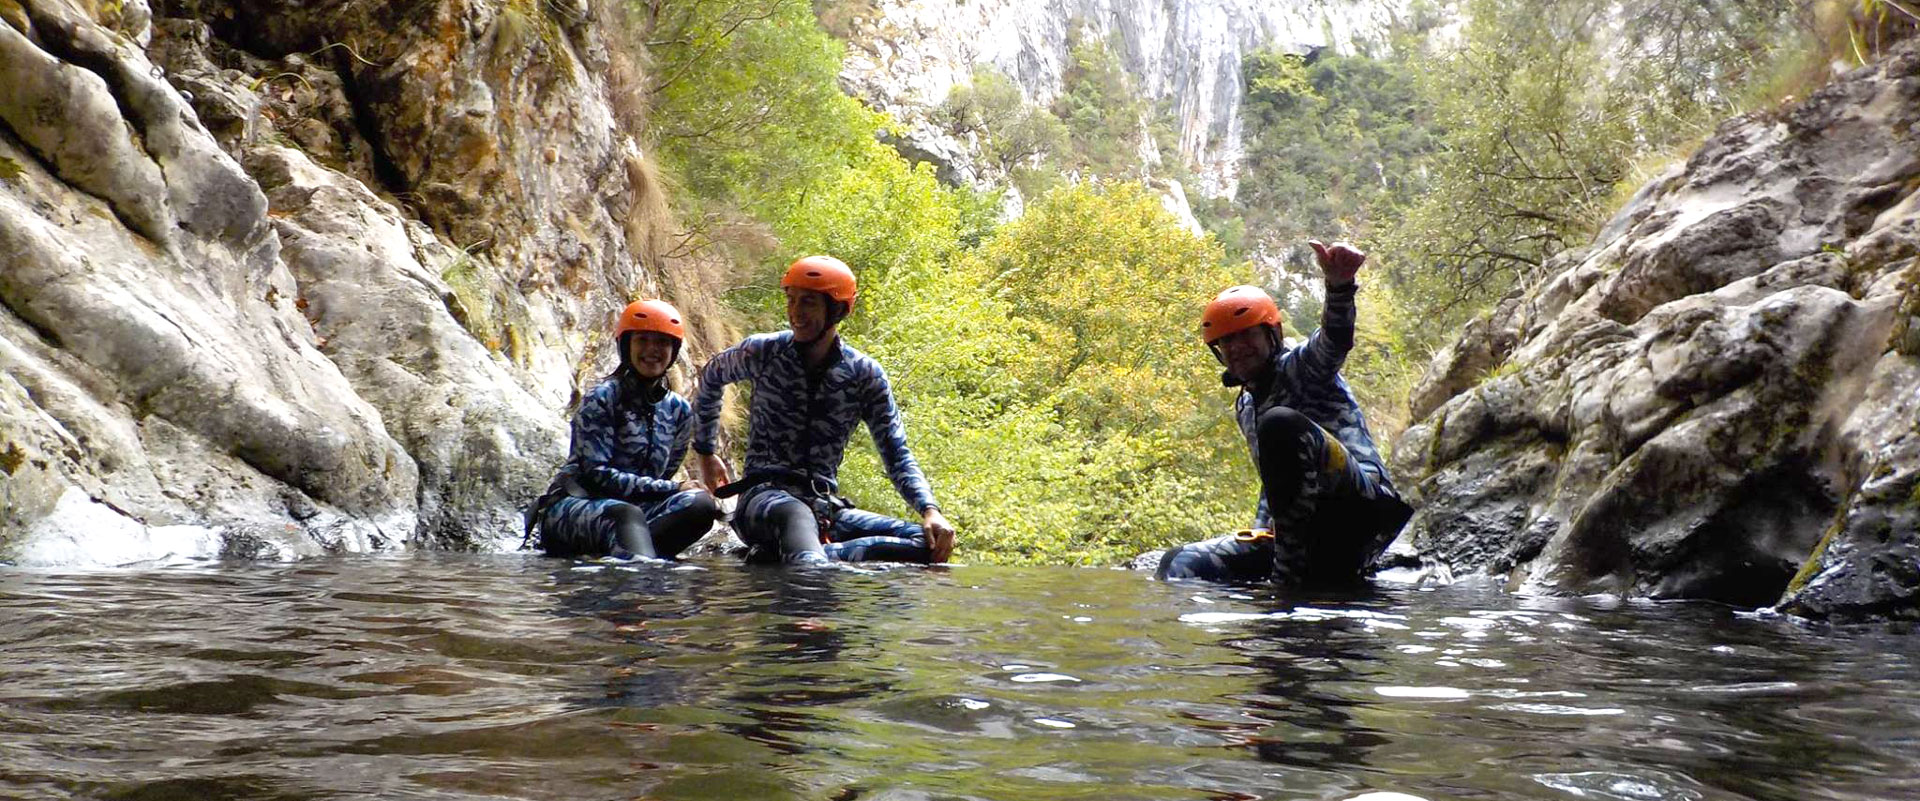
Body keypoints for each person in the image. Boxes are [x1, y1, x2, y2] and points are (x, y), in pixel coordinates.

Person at [1157, 241, 1413, 586]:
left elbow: (1334, 340)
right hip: (1307, 539)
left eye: (1246, 335)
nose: (1236, 348)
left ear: (1272, 334)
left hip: (1361, 512)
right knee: (1178, 563)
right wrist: (1262, 532)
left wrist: (1339, 287)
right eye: (1226, 342)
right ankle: (1284, 574)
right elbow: (1278, 483)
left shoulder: (1302, 366)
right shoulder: (1247, 407)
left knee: (1280, 423)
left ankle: (1286, 582)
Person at [692, 255, 957, 566]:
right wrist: (706, 451)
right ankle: (805, 568)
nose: (795, 313)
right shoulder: (763, 351)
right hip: (763, 500)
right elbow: (711, 376)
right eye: (791, 300)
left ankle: (803, 556)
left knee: (927, 543)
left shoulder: (864, 375)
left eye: (808, 303)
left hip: (824, 505)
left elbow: (896, 452)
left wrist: (930, 510)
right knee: (793, 514)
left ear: (837, 310)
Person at [524, 299, 721, 559]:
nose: (652, 350)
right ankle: (636, 577)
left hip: (633, 513)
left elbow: (664, 474)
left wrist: (685, 490)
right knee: (626, 515)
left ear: (673, 351)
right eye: (642, 340)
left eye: (662, 342)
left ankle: (636, 554)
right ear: (626, 345)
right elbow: (597, 475)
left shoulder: (679, 411)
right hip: (576, 507)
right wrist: (673, 488)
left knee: (700, 506)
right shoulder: (603, 398)